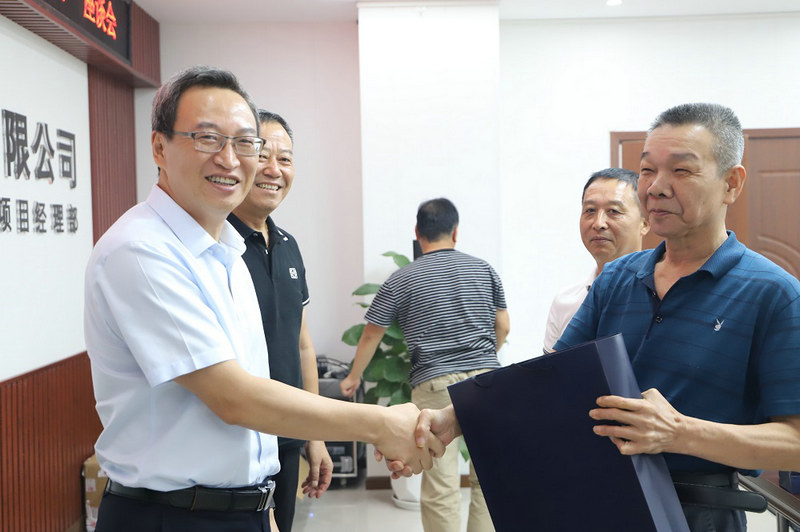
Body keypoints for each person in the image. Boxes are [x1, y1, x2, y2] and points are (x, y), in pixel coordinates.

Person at [84, 65, 443, 532]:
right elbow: (233, 396)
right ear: (159, 147)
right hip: (170, 516)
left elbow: (270, 371)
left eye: (244, 142)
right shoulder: (140, 250)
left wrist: (262, 506)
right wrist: (380, 425)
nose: (229, 159)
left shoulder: (229, 251)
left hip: (242, 507)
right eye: (207, 138)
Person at [416, 103, 800, 532]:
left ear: (731, 183)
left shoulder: (773, 293)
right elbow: (548, 380)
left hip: (696, 513)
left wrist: (680, 432)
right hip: (595, 496)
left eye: (681, 170)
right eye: (648, 170)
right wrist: (454, 417)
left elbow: (795, 442)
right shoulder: (617, 278)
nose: (656, 187)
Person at [340, 198, 509, 532]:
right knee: (489, 477)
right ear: (455, 232)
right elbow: (503, 325)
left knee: (440, 482)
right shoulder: (483, 269)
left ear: (417, 233)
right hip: (487, 380)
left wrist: (353, 377)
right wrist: (485, 361)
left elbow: (372, 333)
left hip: (435, 383)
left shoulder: (401, 279)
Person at [227, 109, 332, 531]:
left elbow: (302, 345)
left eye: (285, 159)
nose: (274, 170)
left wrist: (314, 434)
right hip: (239, 436)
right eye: (263, 155)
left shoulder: (289, 245)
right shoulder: (218, 245)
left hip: (288, 435)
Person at [543, 168, 649, 352]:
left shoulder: (659, 293)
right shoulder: (565, 301)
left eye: (614, 211)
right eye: (590, 210)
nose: (598, 223)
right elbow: (550, 367)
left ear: (645, 223)